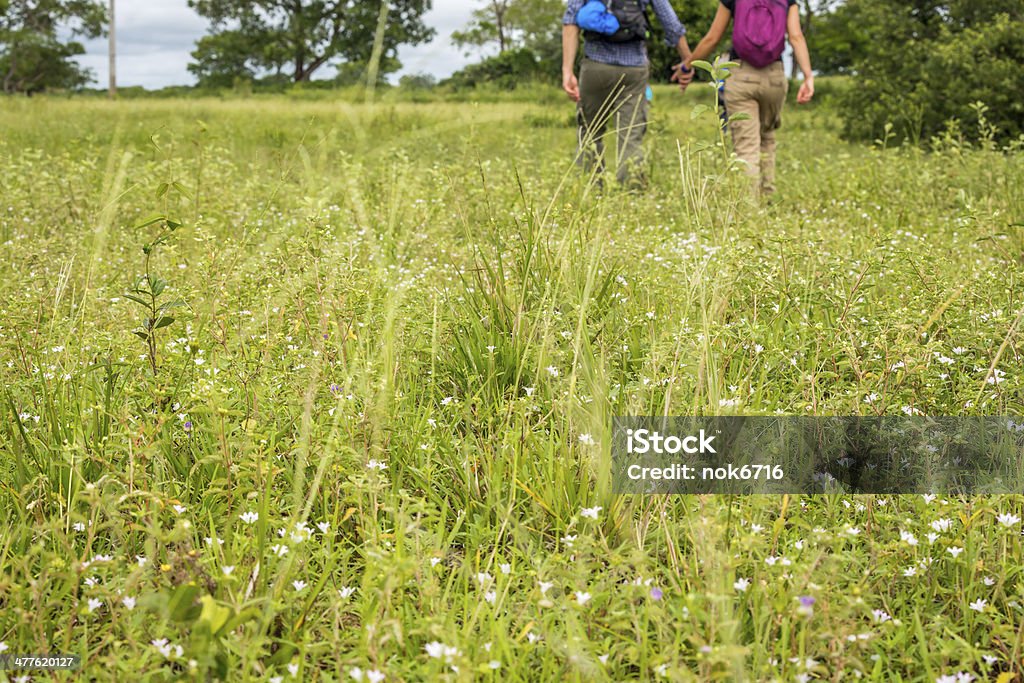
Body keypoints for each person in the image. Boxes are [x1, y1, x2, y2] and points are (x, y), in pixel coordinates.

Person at [679, 0, 814, 198]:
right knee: (767, 137)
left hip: (741, 75)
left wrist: (687, 66)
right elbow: (796, 36)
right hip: (774, 77)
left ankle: (749, 208)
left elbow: (712, 38)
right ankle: (768, 196)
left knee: (746, 147)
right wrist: (808, 76)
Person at [562, 0, 695, 190]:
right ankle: (632, 193)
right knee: (631, 136)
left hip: (596, 66)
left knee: (590, 132)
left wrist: (567, 70)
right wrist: (687, 62)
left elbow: (570, 20)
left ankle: (589, 192)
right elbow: (670, 22)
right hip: (634, 68)